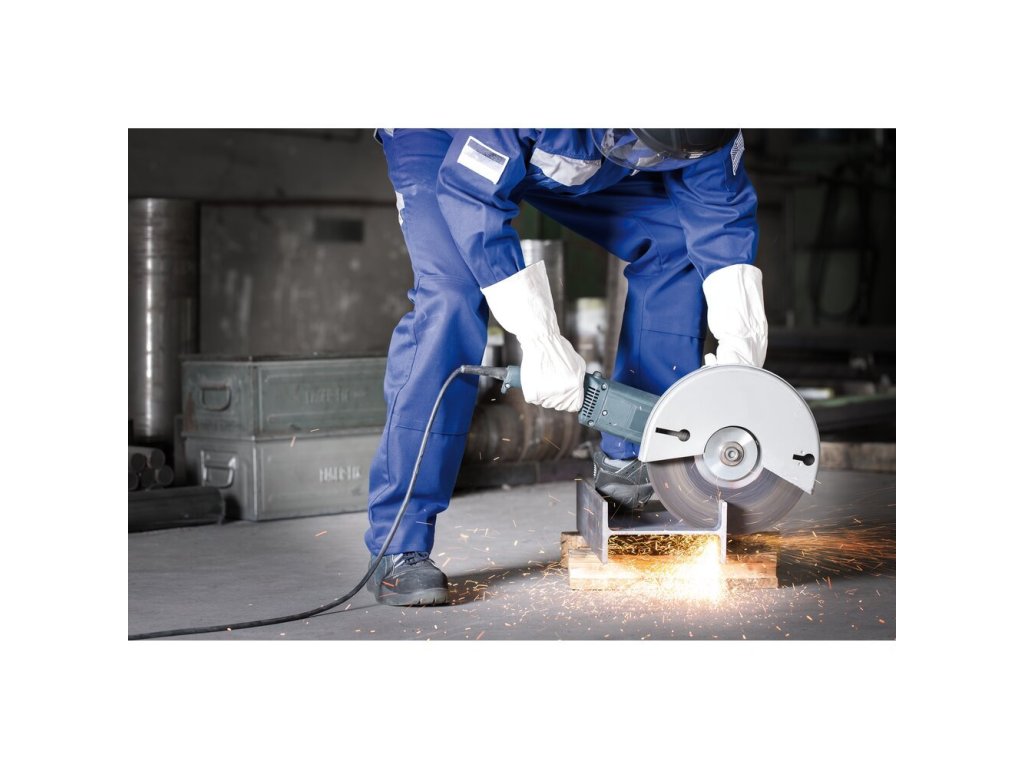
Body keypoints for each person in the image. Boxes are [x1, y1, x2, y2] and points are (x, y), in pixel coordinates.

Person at [364, 129, 767, 606]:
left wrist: (741, 337)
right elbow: (470, 195)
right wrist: (539, 337)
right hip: (446, 135)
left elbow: (721, 211)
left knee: (675, 244)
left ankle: (633, 453)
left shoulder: (705, 129)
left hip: (571, 152)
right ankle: (399, 542)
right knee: (452, 294)